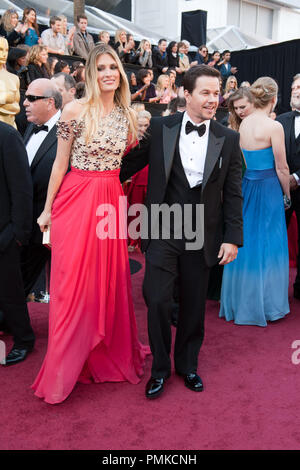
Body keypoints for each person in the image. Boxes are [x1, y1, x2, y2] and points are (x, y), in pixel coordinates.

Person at [31, 43, 149, 405]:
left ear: (121, 73)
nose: (108, 74)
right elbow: (59, 163)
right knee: (70, 286)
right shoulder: (74, 110)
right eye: (100, 68)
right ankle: (63, 367)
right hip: (75, 198)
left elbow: (125, 162)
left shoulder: (128, 115)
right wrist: (48, 208)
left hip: (111, 199)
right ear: (89, 73)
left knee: (108, 281)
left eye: (112, 67)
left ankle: (103, 353)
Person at [120, 64, 243, 398]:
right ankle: (160, 368)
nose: (213, 99)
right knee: (157, 298)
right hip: (162, 224)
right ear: (185, 94)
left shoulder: (229, 138)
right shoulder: (161, 128)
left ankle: (187, 365)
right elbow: (127, 165)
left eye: (216, 93)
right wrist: (89, 179)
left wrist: (232, 237)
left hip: (203, 230)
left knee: (192, 304)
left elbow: (233, 192)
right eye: (205, 92)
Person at [220, 77, 290, 326]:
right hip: (269, 188)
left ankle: (241, 302)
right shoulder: (274, 127)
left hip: (245, 187)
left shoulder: (242, 123)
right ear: (273, 99)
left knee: (245, 243)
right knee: (269, 245)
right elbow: (282, 168)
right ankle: (267, 305)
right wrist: (287, 195)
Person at [22, 79, 62, 298]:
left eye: (31, 98)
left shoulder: (67, 130)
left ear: (49, 102)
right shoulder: (30, 126)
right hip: (24, 218)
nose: (25, 103)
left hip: (50, 221)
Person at [0, 122, 35, 366]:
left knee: (10, 291)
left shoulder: (7, 135)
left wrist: (16, 233)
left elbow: (22, 188)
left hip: (3, 233)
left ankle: (24, 339)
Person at [277, 73, 300, 299]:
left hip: (297, 184)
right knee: (275, 237)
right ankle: (273, 287)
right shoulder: (280, 120)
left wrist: (297, 177)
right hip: (278, 190)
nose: (296, 90)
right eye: (294, 87)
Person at [126, 110, 152, 251]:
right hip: (135, 182)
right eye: (140, 125)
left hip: (149, 181)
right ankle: (132, 240)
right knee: (134, 212)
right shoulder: (130, 140)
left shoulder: (154, 141)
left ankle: (144, 241)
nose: (143, 129)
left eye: (146, 125)